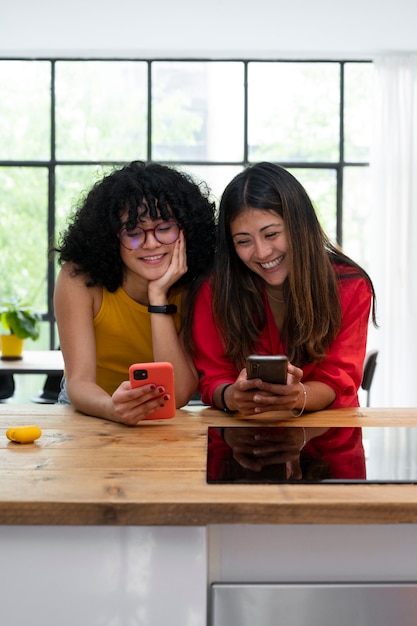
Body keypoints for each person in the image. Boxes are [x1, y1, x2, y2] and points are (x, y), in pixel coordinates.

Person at [188, 162, 377, 416]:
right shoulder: (215, 289)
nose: (262, 253)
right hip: (241, 437)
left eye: (271, 234)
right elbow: (214, 378)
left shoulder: (349, 286)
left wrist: (299, 395)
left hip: (328, 438)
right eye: (244, 241)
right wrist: (233, 396)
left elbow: (338, 379)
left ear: (299, 226)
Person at [54, 160, 216, 424]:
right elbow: (79, 382)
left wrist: (158, 296)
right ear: (110, 236)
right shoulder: (79, 280)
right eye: (133, 232)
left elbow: (181, 393)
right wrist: (112, 408)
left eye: (164, 228)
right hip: (91, 408)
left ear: (185, 231)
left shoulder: (196, 284)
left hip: (164, 411)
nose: (151, 243)